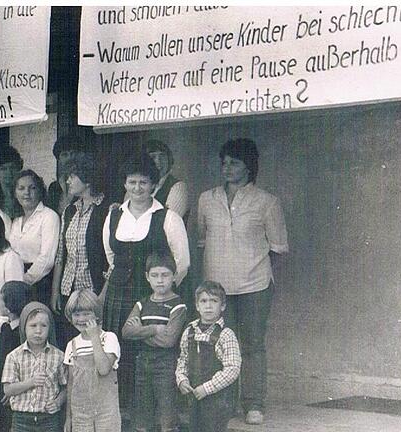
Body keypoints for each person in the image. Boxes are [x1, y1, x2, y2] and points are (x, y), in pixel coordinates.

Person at [196, 138, 288, 425]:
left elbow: (278, 248)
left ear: (249, 166)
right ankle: (224, 403)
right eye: (223, 162)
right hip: (216, 288)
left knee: (251, 345)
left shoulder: (266, 201)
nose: (227, 168)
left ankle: (253, 403)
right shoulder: (206, 199)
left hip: (254, 287)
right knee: (221, 344)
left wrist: (253, 272)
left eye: (234, 162)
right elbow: (201, 241)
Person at [101, 153, 190, 409]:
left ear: (153, 184)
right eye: (132, 182)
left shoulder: (167, 217)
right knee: (119, 349)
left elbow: (181, 263)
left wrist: (161, 293)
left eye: (143, 182)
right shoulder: (115, 215)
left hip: (152, 296)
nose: (137, 188)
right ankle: (122, 410)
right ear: (125, 184)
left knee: (148, 353)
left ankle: (146, 413)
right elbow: (111, 255)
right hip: (119, 292)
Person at [50, 152, 110, 349]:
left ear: (87, 178)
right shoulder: (70, 210)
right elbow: (61, 255)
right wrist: (56, 291)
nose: (67, 181)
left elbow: (113, 257)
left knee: (94, 343)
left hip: (94, 290)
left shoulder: (107, 209)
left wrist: (103, 294)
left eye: (72, 176)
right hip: (69, 291)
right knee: (71, 345)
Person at [121, 252, 187, 432]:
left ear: (173, 276)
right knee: (142, 414)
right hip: (142, 362)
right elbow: (126, 332)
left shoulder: (178, 305)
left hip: (166, 364)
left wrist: (140, 330)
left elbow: (168, 340)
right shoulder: (142, 303)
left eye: (165, 275)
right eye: (155, 275)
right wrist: (155, 329)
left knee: (167, 414)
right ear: (147, 277)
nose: (160, 280)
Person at [176, 281, 241, 432]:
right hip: (194, 397)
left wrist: (207, 388)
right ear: (197, 306)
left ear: (222, 306)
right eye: (204, 301)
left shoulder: (226, 334)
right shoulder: (189, 332)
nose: (209, 306)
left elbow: (232, 369)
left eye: (214, 301)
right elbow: (183, 359)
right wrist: (181, 379)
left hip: (217, 400)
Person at [2, 301, 67, 432]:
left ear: (50, 328)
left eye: (43, 326)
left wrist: (58, 402)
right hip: (21, 419)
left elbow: (66, 387)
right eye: (33, 325)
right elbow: (8, 390)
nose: (38, 331)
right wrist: (30, 382)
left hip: (48, 419)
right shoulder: (14, 356)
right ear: (23, 327)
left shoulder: (59, 356)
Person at [63, 289, 121, 432]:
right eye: (77, 314)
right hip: (80, 413)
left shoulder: (109, 338)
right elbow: (71, 384)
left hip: (106, 411)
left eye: (87, 313)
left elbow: (103, 369)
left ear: (96, 314)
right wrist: (68, 417)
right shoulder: (72, 345)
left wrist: (94, 337)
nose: (81, 319)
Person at [8, 170, 60, 305]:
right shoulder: (15, 220)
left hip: (39, 283)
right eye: (21, 188)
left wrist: (24, 280)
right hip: (16, 280)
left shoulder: (49, 216)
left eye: (32, 188)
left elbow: (47, 259)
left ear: (40, 191)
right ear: (15, 193)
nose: (26, 193)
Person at [0, 281, 31, 431]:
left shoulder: (21, 333)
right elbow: (1, 359)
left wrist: (12, 390)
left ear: (8, 306)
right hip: (3, 382)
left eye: (1, 299)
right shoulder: (6, 327)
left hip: (16, 385)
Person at [144, 140, 189, 223]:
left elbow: (167, 223)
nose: (158, 161)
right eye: (153, 157)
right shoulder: (137, 187)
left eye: (162, 156)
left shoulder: (178, 187)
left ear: (169, 159)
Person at [45, 133, 89, 215]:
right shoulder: (54, 188)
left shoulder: (86, 184)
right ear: (58, 160)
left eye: (73, 153)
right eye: (64, 155)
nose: (70, 158)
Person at [0, 145, 24, 219]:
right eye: (3, 169)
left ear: (18, 168)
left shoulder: (25, 194)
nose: (9, 173)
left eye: (12, 167)